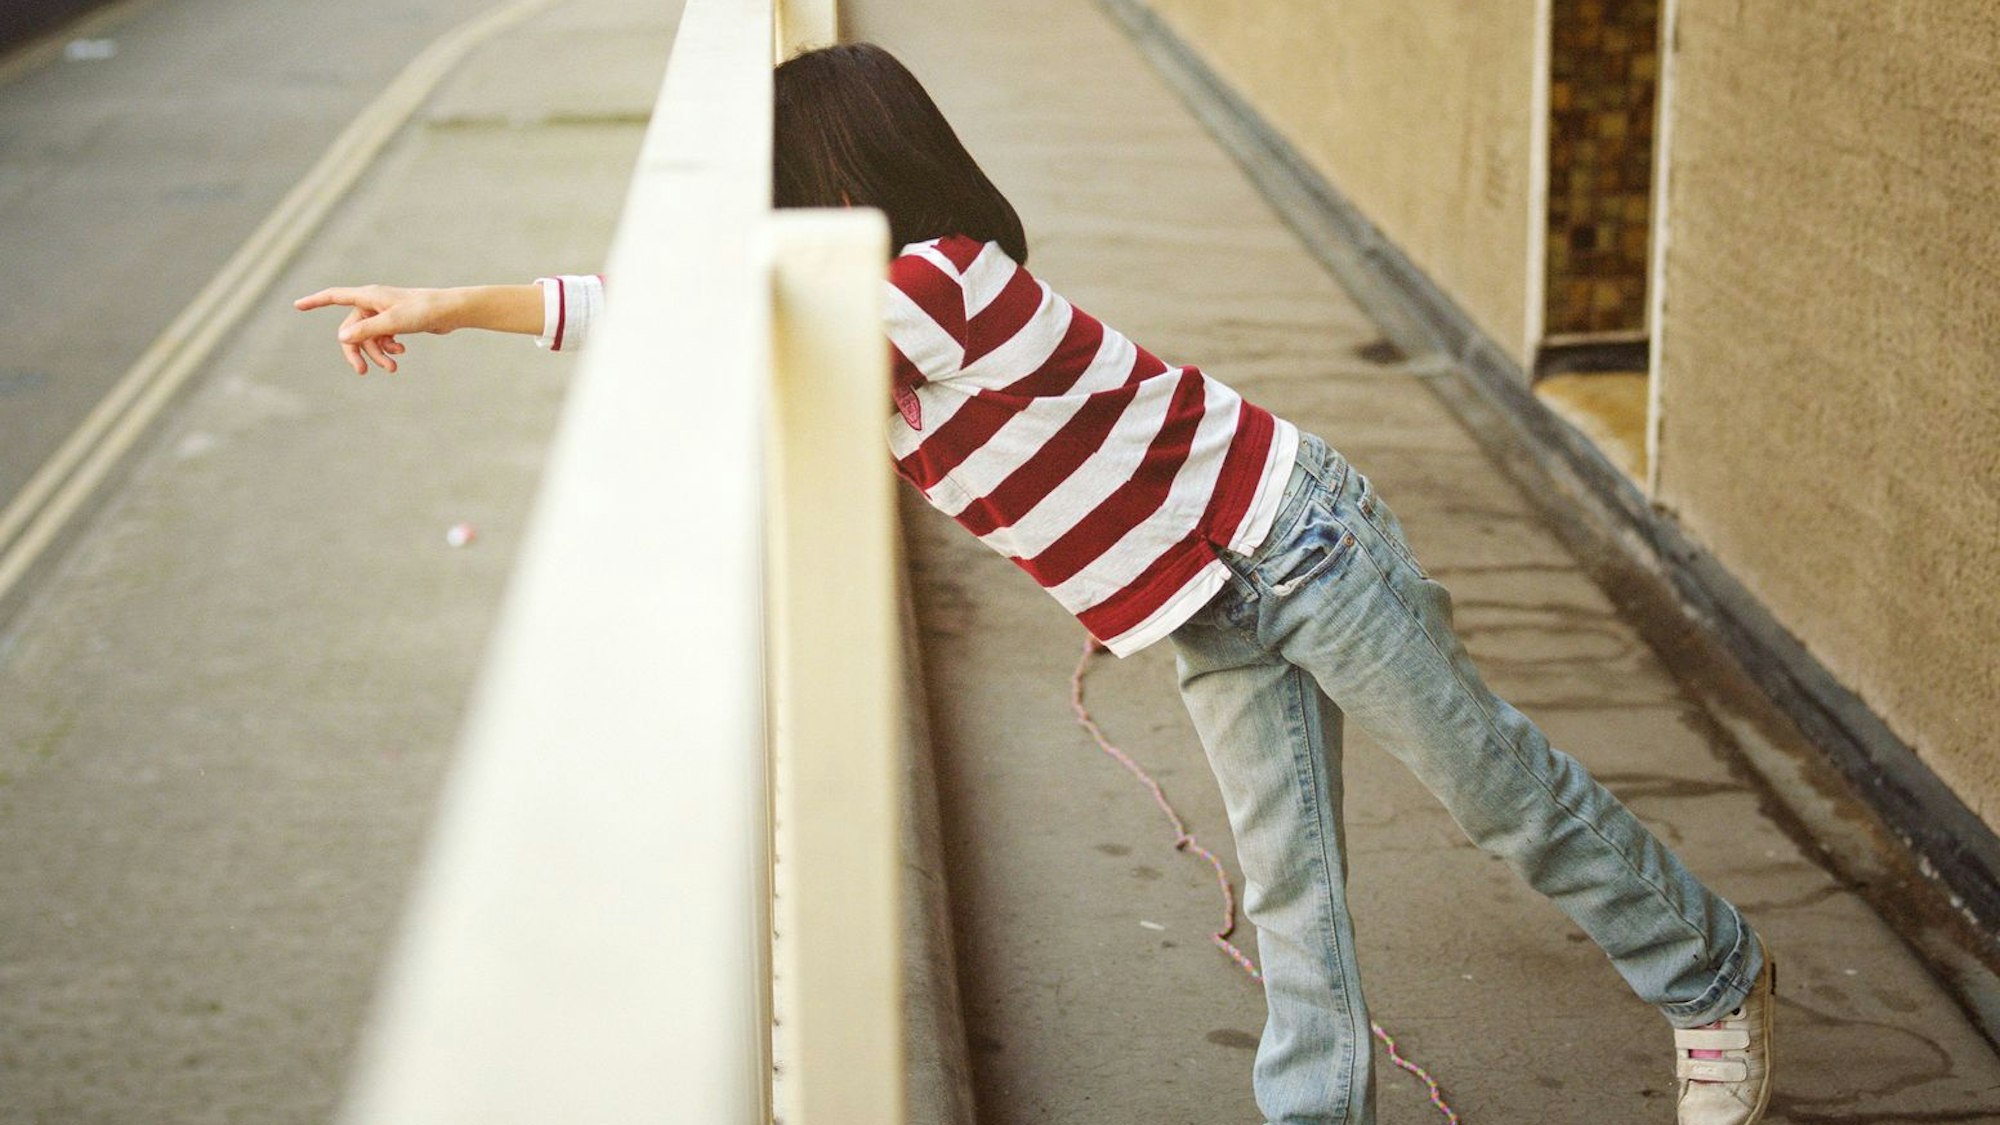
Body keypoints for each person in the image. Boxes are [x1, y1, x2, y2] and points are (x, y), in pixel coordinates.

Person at [295, 40, 1775, 1125]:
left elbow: (700, 314)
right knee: (1286, 877)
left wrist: (493, 310)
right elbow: (678, 317)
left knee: (1495, 791)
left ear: (832, 185)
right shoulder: (863, 333)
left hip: (1296, 537)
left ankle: (1714, 978)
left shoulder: (947, 283)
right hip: (1200, 603)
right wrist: (454, 305)